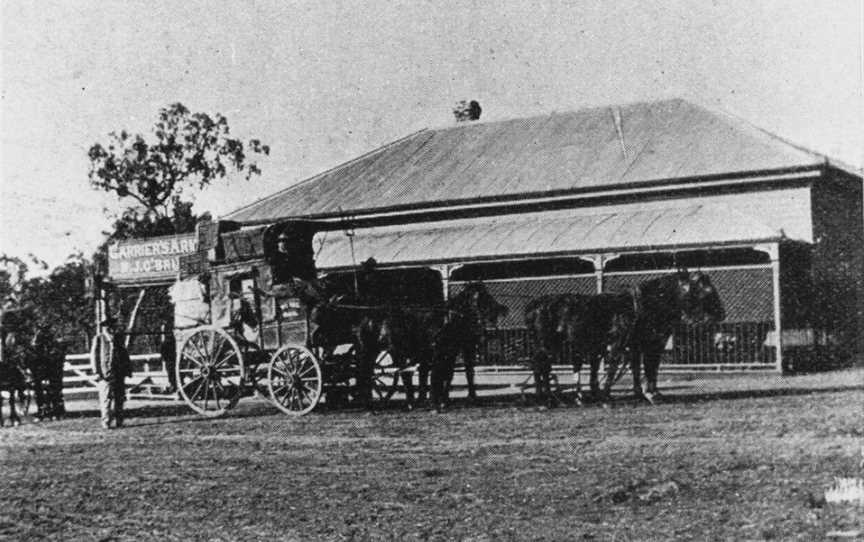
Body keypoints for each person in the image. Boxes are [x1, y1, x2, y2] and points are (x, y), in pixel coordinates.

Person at [95, 317, 131, 429]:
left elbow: (125, 354)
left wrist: (128, 369)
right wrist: (97, 372)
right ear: (104, 327)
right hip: (105, 374)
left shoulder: (118, 339)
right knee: (106, 399)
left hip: (118, 373)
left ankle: (119, 421)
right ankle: (106, 422)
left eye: (112, 326)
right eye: (108, 326)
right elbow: (94, 356)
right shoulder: (99, 339)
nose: (110, 328)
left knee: (119, 398)